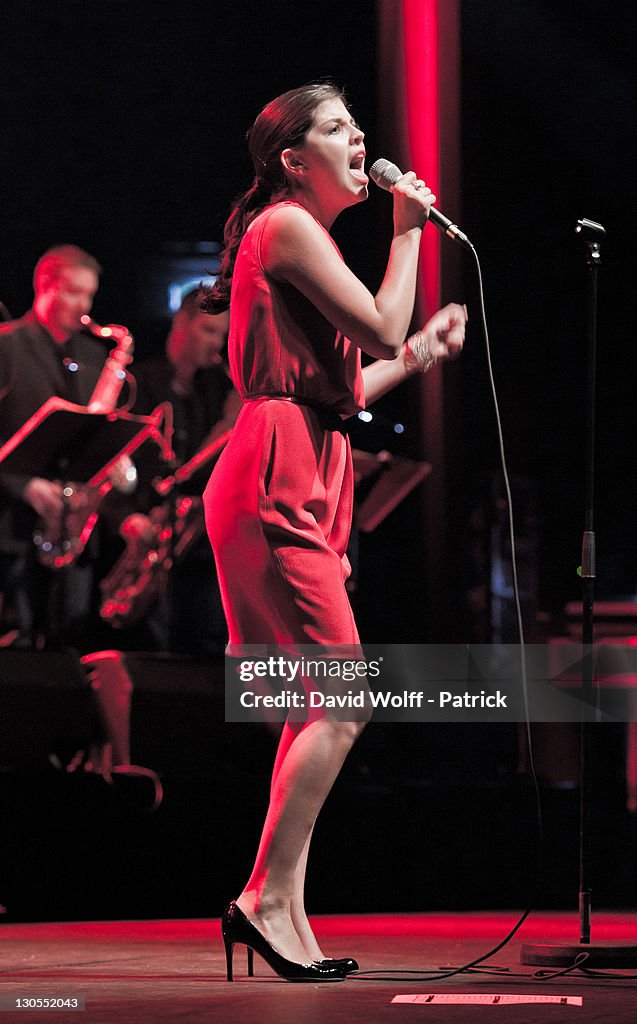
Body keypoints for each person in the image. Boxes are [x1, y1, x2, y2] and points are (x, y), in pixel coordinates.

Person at [202, 82, 467, 981]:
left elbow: (352, 384)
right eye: (337, 129)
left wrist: (418, 354)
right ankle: (263, 902)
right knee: (343, 695)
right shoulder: (284, 225)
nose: (360, 139)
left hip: (307, 454)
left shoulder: (297, 237)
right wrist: (407, 227)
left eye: (358, 127)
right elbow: (382, 318)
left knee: (318, 700)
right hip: (277, 462)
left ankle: (283, 909)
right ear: (292, 158)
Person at [104, 290, 239, 655]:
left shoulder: (214, 391)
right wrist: (127, 519)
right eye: (209, 331)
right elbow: (111, 461)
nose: (216, 344)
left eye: (221, 336)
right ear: (181, 322)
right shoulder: (139, 383)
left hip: (194, 541)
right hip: (143, 528)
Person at [0, 244, 107, 647]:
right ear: (44, 286)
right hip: (11, 525)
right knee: (20, 649)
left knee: (69, 646)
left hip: (72, 527)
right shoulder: (7, 345)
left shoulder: (94, 356)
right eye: (74, 292)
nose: (84, 306)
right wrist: (24, 484)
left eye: (90, 295)